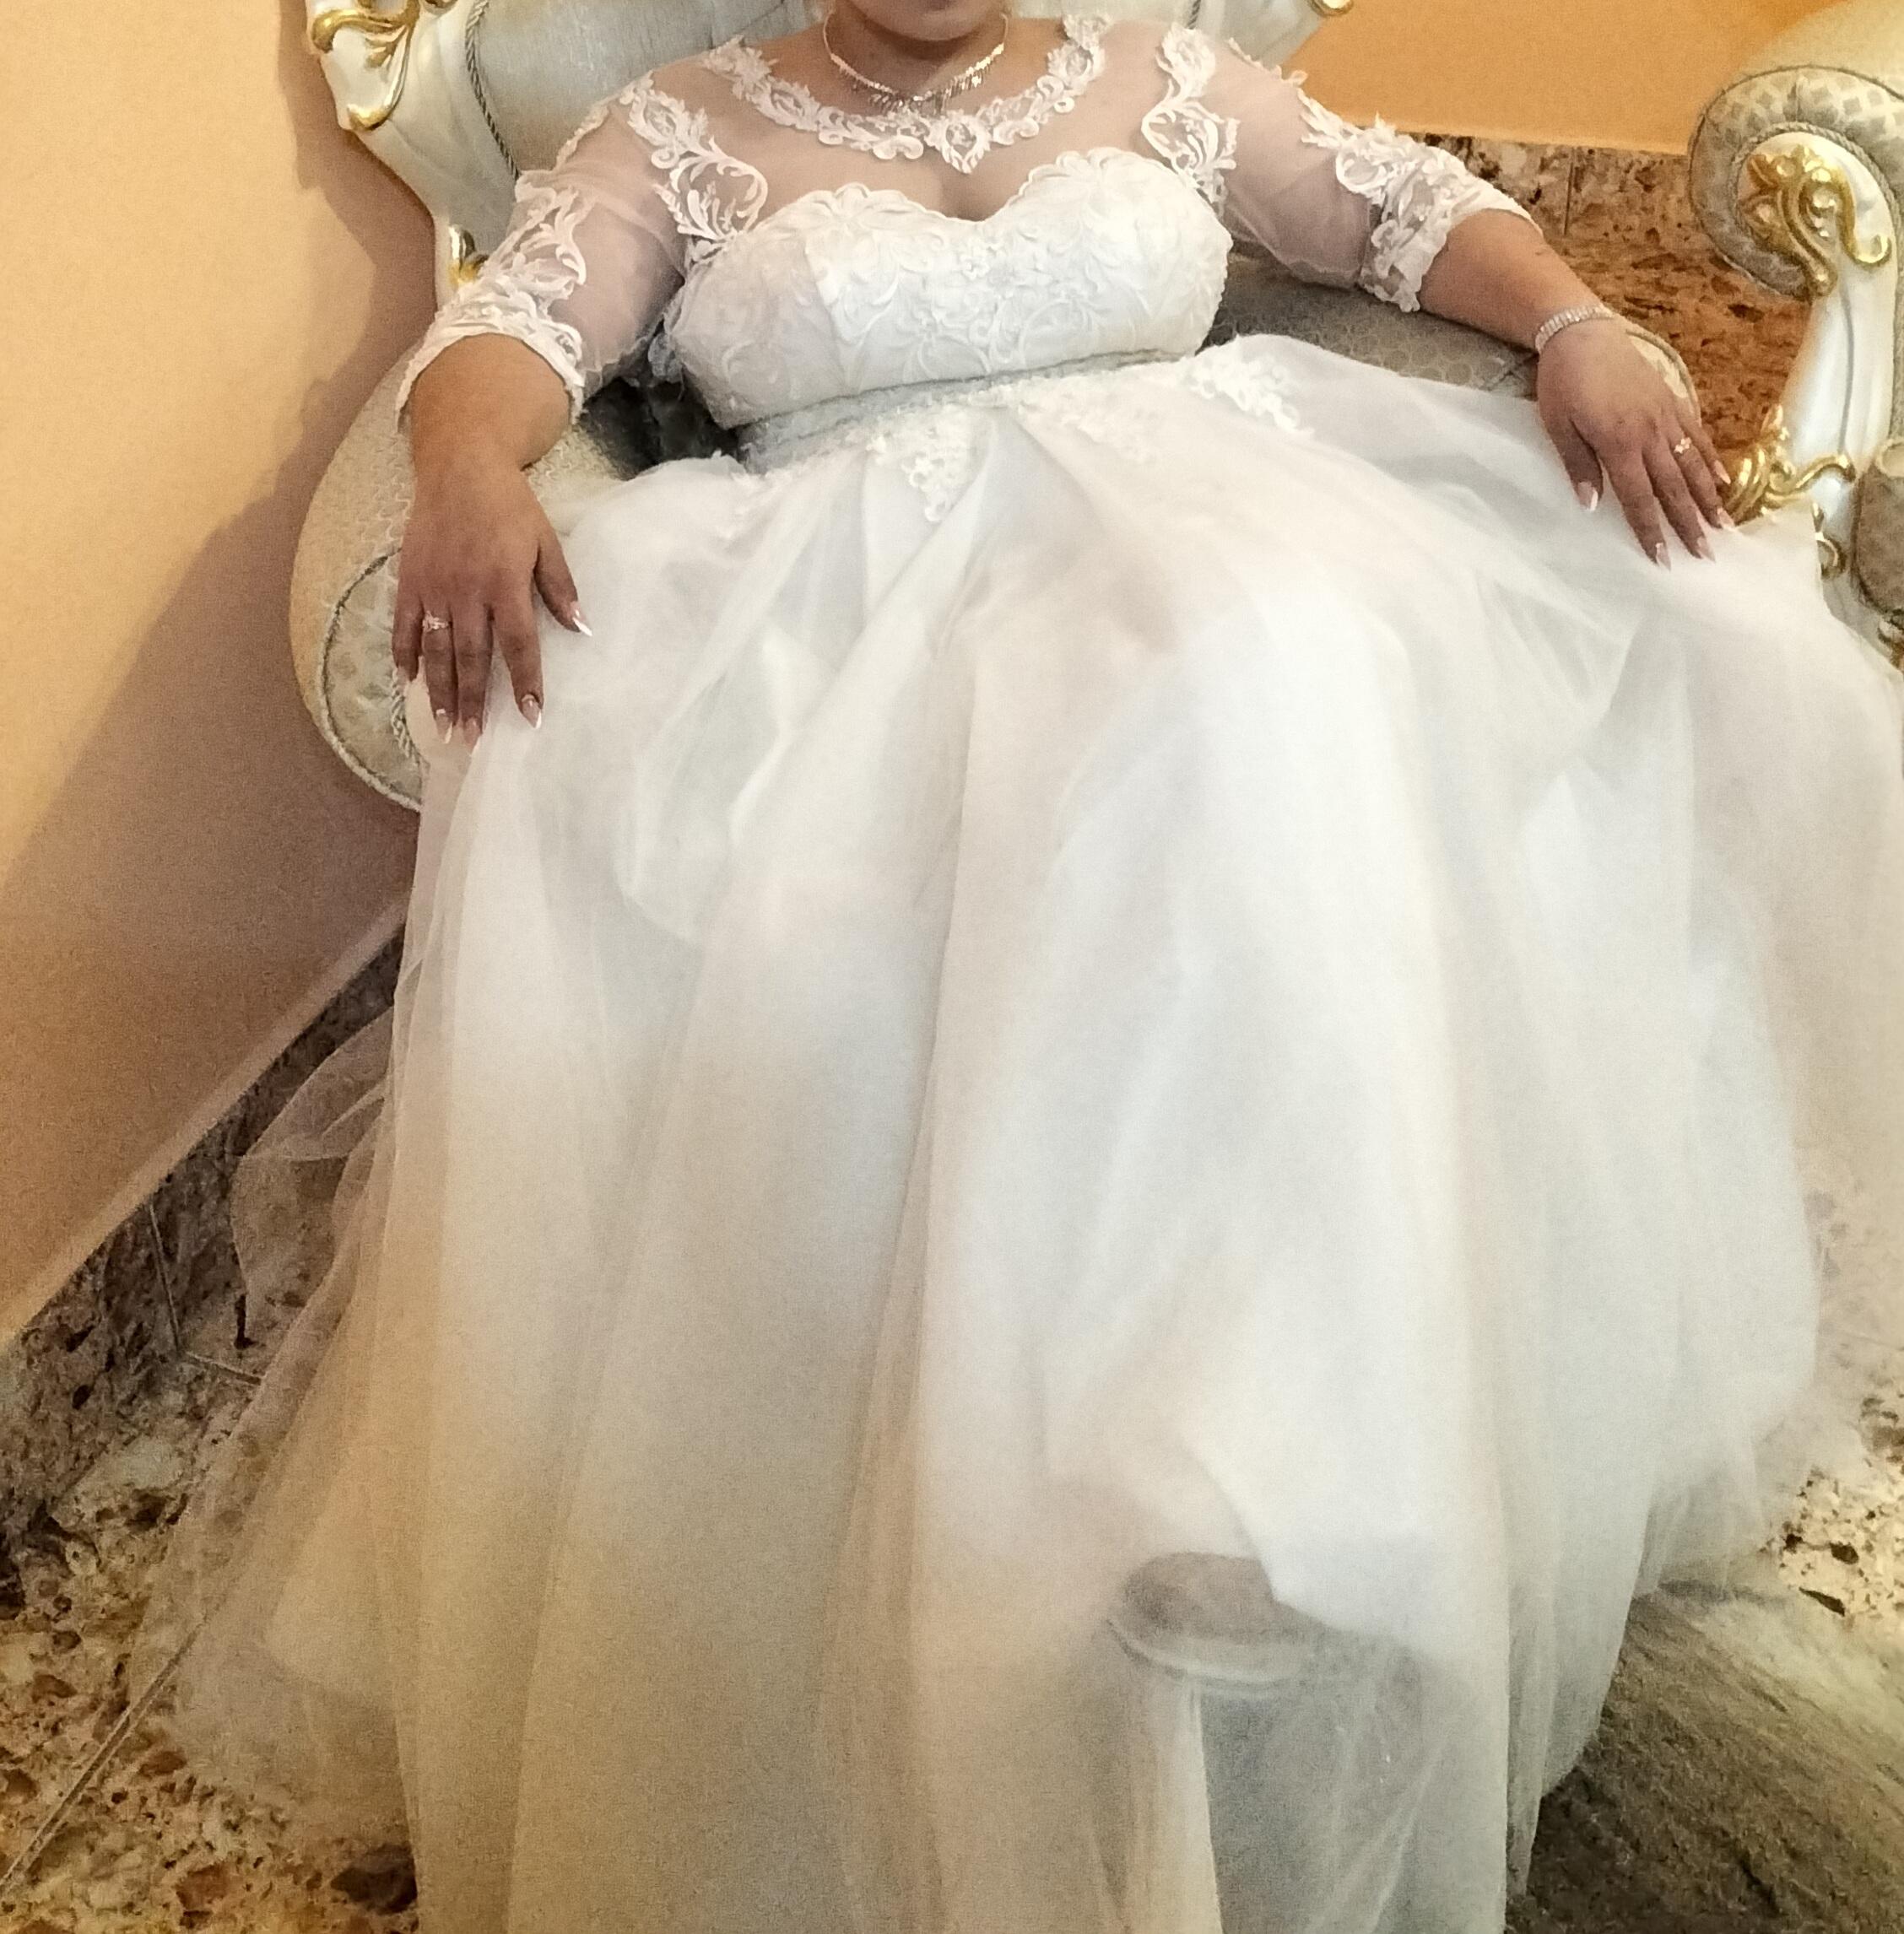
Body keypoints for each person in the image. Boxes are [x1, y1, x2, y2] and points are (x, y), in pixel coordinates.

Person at [132, 4, 1904, 1931]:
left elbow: (1399, 212)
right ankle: (1077, 1505)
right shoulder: (679, 128)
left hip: (1245, 540)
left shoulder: (1156, 75)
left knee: (1277, 686)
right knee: (1088, 784)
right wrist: (471, 464)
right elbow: (512, 335)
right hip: (862, 627)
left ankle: (1276, 1471)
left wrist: (1570, 323)